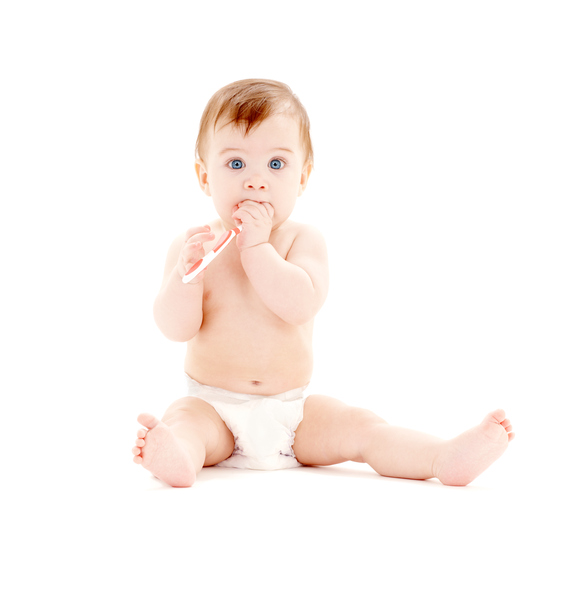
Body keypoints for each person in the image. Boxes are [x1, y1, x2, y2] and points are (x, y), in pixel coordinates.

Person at [132, 78, 514, 487]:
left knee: (359, 425)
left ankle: (441, 457)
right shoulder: (195, 246)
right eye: (236, 164)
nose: (256, 181)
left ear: (303, 177)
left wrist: (257, 248)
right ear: (204, 176)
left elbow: (299, 305)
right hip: (214, 406)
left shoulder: (302, 240)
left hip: (293, 413)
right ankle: (178, 458)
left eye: (276, 165)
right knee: (184, 420)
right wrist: (185, 278)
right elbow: (176, 329)